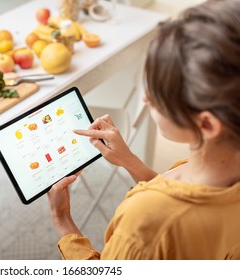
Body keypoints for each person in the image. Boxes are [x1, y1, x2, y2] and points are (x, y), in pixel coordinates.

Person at [47, 0, 240, 260]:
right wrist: (129, 160)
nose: (147, 98)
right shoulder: (222, 171)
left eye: (158, 93)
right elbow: (185, 198)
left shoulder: (143, 223)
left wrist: (63, 221)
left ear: (206, 124)